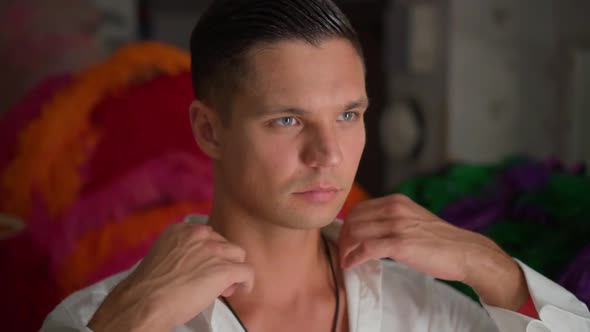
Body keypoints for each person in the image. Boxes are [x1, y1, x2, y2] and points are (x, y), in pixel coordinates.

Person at [41, 0, 590, 331]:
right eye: (287, 120)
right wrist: (130, 320)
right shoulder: (107, 318)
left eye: (348, 114)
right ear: (209, 129)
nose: (328, 154)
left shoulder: (420, 308)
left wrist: (488, 265)